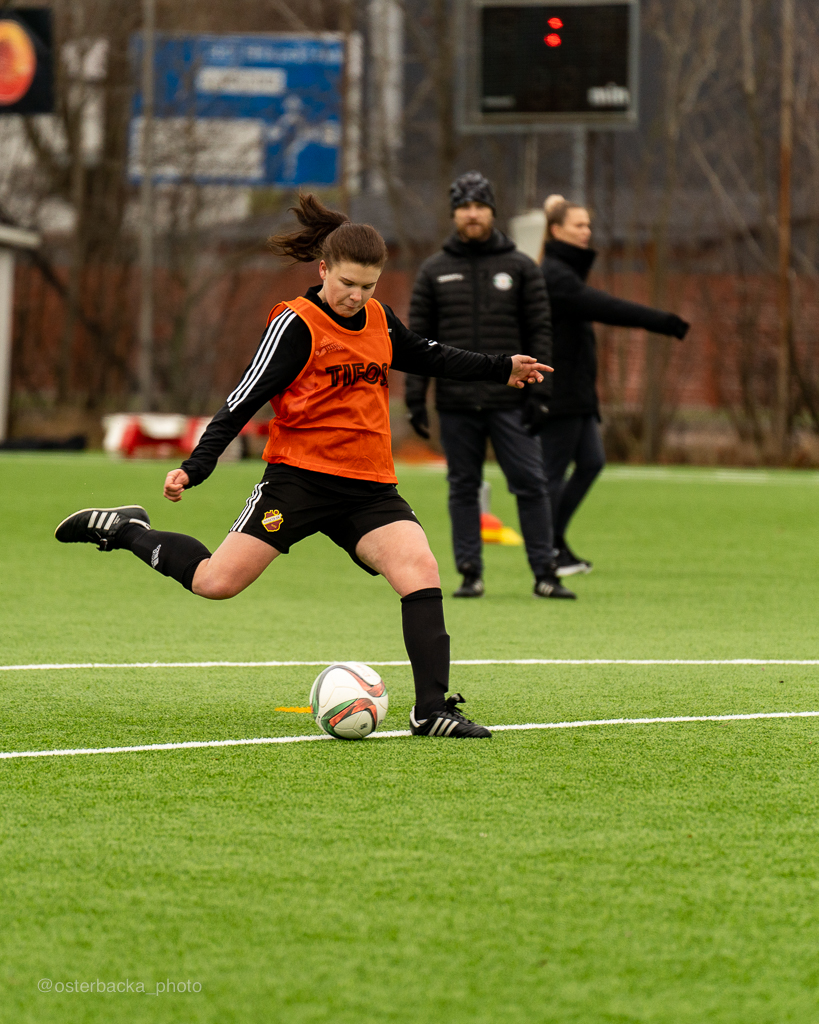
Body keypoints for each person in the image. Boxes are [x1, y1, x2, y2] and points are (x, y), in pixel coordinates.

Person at [54, 194, 550, 740]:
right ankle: (127, 530)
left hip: (369, 488)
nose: (356, 296)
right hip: (299, 483)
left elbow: (428, 354)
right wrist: (196, 467)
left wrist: (501, 367)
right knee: (216, 582)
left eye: (368, 286)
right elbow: (241, 400)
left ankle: (432, 709)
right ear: (323, 270)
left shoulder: (379, 319)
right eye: (347, 284)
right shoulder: (296, 324)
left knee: (420, 570)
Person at [404, 171, 574, 601]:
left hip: (511, 401)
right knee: (463, 487)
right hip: (456, 402)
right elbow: (416, 342)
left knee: (531, 483)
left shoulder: (520, 267)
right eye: (464, 207)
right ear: (454, 214)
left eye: (480, 206)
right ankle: (469, 574)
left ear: (492, 211)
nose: (472, 214)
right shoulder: (434, 270)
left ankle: (545, 573)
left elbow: (540, 331)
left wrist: (540, 394)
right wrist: (415, 398)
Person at [539, 195, 690, 576]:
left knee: (592, 462)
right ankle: (546, 553)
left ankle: (555, 542)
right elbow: (607, 307)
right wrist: (664, 321)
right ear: (555, 230)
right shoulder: (555, 275)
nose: (586, 232)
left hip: (579, 390)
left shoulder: (566, 270)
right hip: (558, 390)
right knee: (552, 473)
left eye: (588, 225)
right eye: (578, 225)